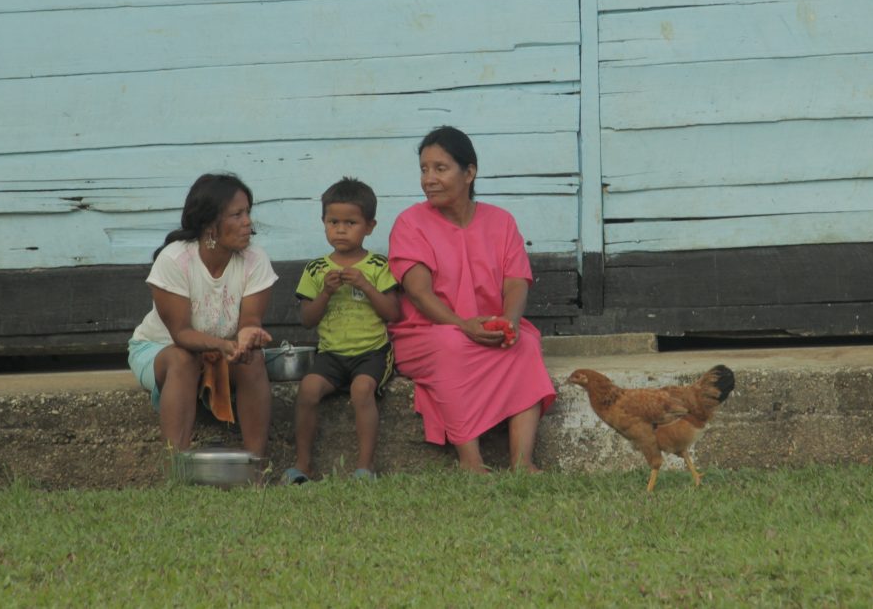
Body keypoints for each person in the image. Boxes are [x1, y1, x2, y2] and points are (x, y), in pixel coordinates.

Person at [387, 126, 556, 473]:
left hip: (487, 327)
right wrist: (463, 325)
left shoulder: (501, 222)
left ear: (469, 173)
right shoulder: (410, 223)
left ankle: (523, 462)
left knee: (524, 344)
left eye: (440, 168)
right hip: (427, 332)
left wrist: (508, 321)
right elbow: (419, 293)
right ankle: (471, 461)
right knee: (452, 343)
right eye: (423, 169)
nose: (429, 179)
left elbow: (516, 282)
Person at [127, 172, 278, 454]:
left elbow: (249, 320)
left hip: (225, 348)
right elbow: (181, 334)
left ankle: (256, 467)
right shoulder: (175, 259)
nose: (247, 222)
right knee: (183, 359)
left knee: (253, 359)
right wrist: (222, 345)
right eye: (236, 215)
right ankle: (177, 468)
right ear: (210, 226)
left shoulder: (255, 260)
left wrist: (248, 336)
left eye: (248, 212)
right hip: (162, 349)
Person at [287, 178, 401, 484]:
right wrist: (324, 293)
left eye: (350, 222)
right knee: (308, 390)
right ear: (323, 223)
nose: (340, 229)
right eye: (332, 221)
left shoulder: (378, 265)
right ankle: (303, 465)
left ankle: (364, 467)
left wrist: (365, 284)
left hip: (372, 352)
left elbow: (393, 312)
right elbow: (307, 320)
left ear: (370, 226)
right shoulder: (315, 269)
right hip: (331, 354)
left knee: (361, 390)